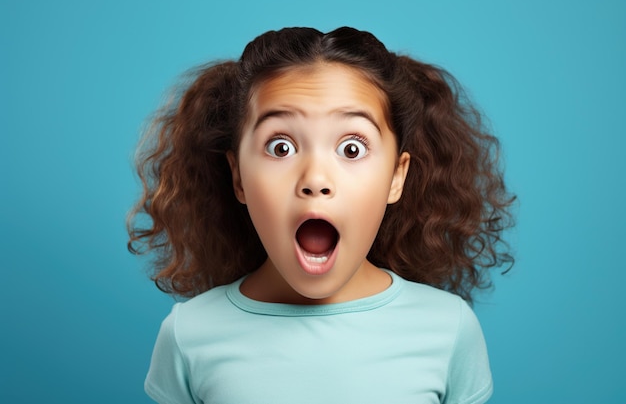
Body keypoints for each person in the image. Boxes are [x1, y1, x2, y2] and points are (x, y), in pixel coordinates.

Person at [128, 26, 515, 404]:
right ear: (239, 177)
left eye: (350, 149)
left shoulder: (448, 330)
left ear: (396, 177)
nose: (315, 180)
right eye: (281, 147)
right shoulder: (188, 334)